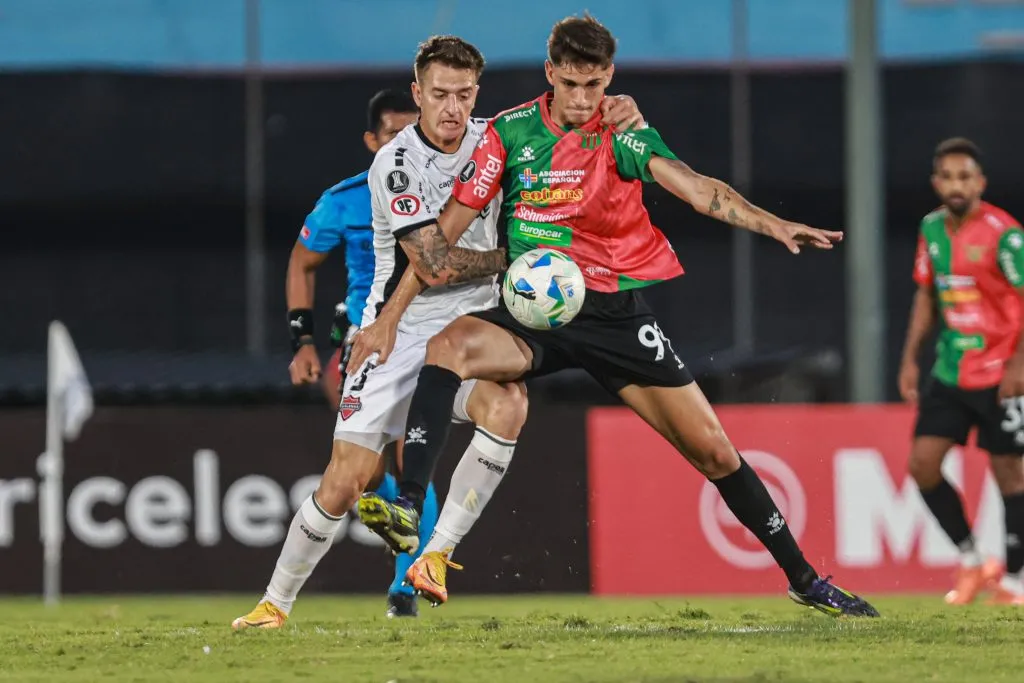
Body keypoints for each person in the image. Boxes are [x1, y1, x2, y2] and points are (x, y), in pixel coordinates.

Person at [353, 13, 879, 618]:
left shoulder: (623, 132)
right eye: (571, 83)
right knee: (447, 345)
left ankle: (805, 578)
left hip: (613, 314)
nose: (582, 100)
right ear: (551, 73)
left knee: (714, 452)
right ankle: (409, 505)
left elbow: (693, 187)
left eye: (595, 85)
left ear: (609, 79)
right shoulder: (509, 134)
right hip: (535, 312)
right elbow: (439, 243)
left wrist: (774, 224)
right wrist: (391, 318)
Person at [232, 34, 644, 630]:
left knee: (508, 408)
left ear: (477, 93)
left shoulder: (495, 137)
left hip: (474, 326)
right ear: (418, 92)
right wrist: (513, 257)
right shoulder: (395, 164)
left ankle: (435, 556)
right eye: (440, 94)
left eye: (464, 94)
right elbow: (433, 263)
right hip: (392, 333)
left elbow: (568, 122)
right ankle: (275, 603)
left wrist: (620, 109)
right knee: (345, 481)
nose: (453, 107)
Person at [282, 88, 437, 618]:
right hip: (362, 338)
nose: (403, 143)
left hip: (425, 333)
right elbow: (302, 263)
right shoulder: (344, 200)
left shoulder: (445, 190)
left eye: (411, 131)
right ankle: (393, 506)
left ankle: (407, 587)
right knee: (366, 473)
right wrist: (302, 341)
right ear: (372, 140)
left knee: (412, 453)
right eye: (392, 133)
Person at [898, 137, 1024, 606]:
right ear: (936, 183)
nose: (956, 185)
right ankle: (973, 561)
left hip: (1002, 373)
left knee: (1010, 475)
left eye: (965, 176)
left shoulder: (1005, 235)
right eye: (947, 176)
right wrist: (910, 357)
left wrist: (1019, 363)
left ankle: (1014, 583)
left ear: (981, 182)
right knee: (923, 464)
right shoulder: (931, 230)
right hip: (951, 370)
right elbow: (926, 295)